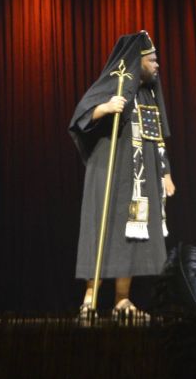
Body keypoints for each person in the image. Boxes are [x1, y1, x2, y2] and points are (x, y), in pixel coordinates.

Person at [69, 30, 176, 318]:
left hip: (137, 180)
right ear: (137, 61)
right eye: (152, 60)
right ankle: (90, 298)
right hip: (109, 174)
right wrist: (105, 108)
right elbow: (80, 119)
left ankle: (122, 299)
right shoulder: (113, 85)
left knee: (131, 235)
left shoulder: (148, 95)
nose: (157, 65)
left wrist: (165, 173)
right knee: (102, 232)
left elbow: (156, 137)